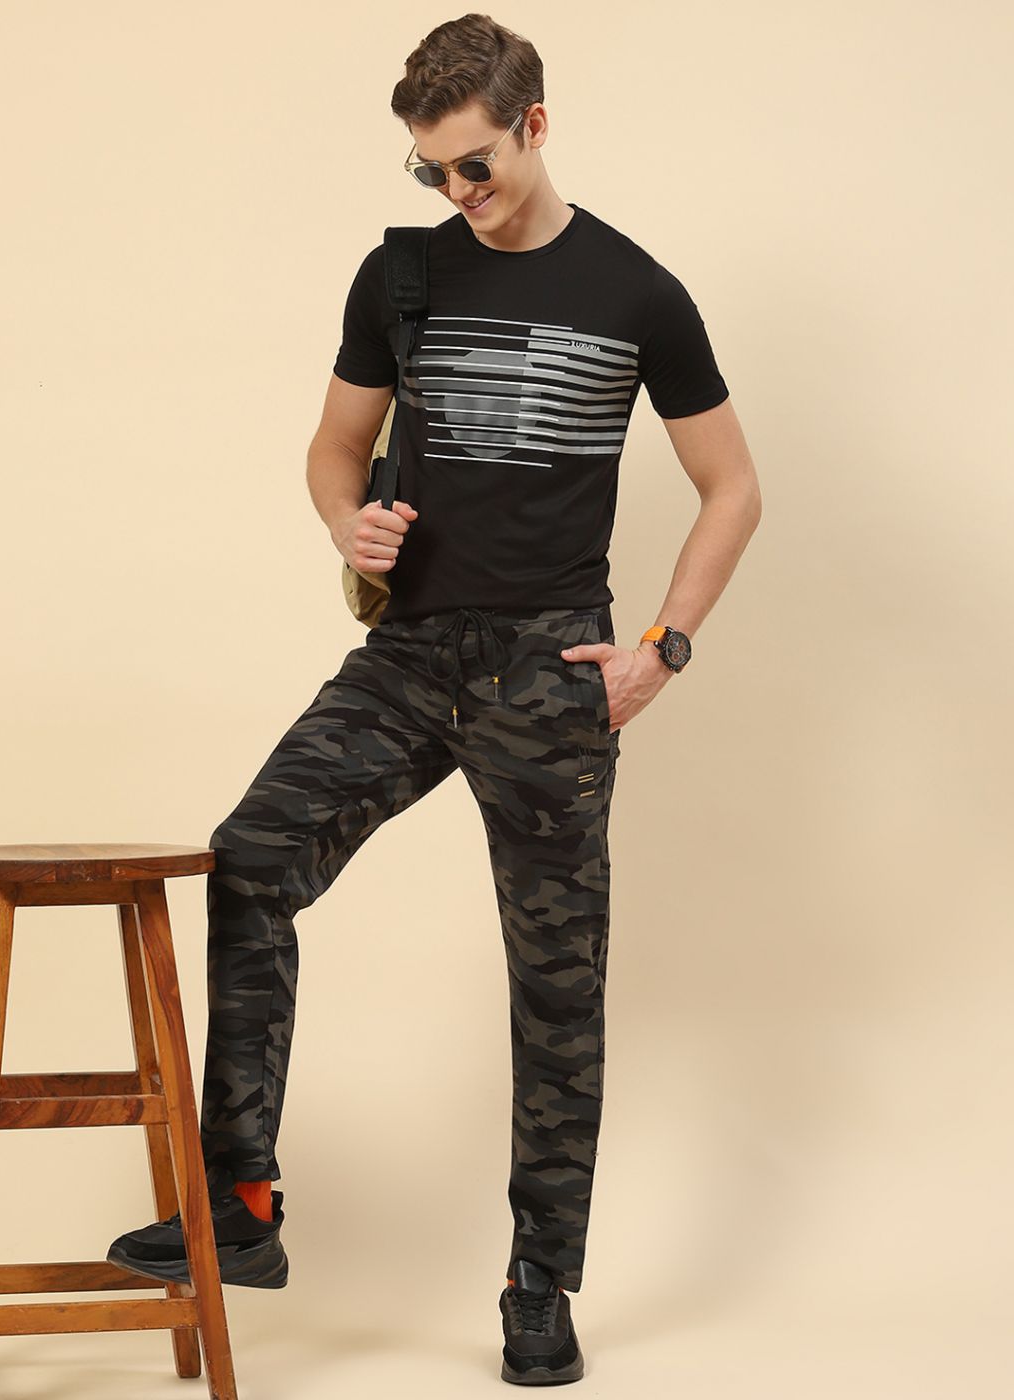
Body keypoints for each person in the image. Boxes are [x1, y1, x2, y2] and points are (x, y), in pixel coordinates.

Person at [106, 13, 761, 1387]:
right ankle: (243, 1205)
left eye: (475, 165)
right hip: (408, 659)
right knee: (253, 857)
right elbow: (333, 449)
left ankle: (539, 1284)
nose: (457, 193)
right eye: (431, 172)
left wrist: (661, 649)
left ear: (534, 125)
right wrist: (345, 523)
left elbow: (732, 488)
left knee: (556, 985)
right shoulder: (399, 276)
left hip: (550, 668)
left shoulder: (637, 291)